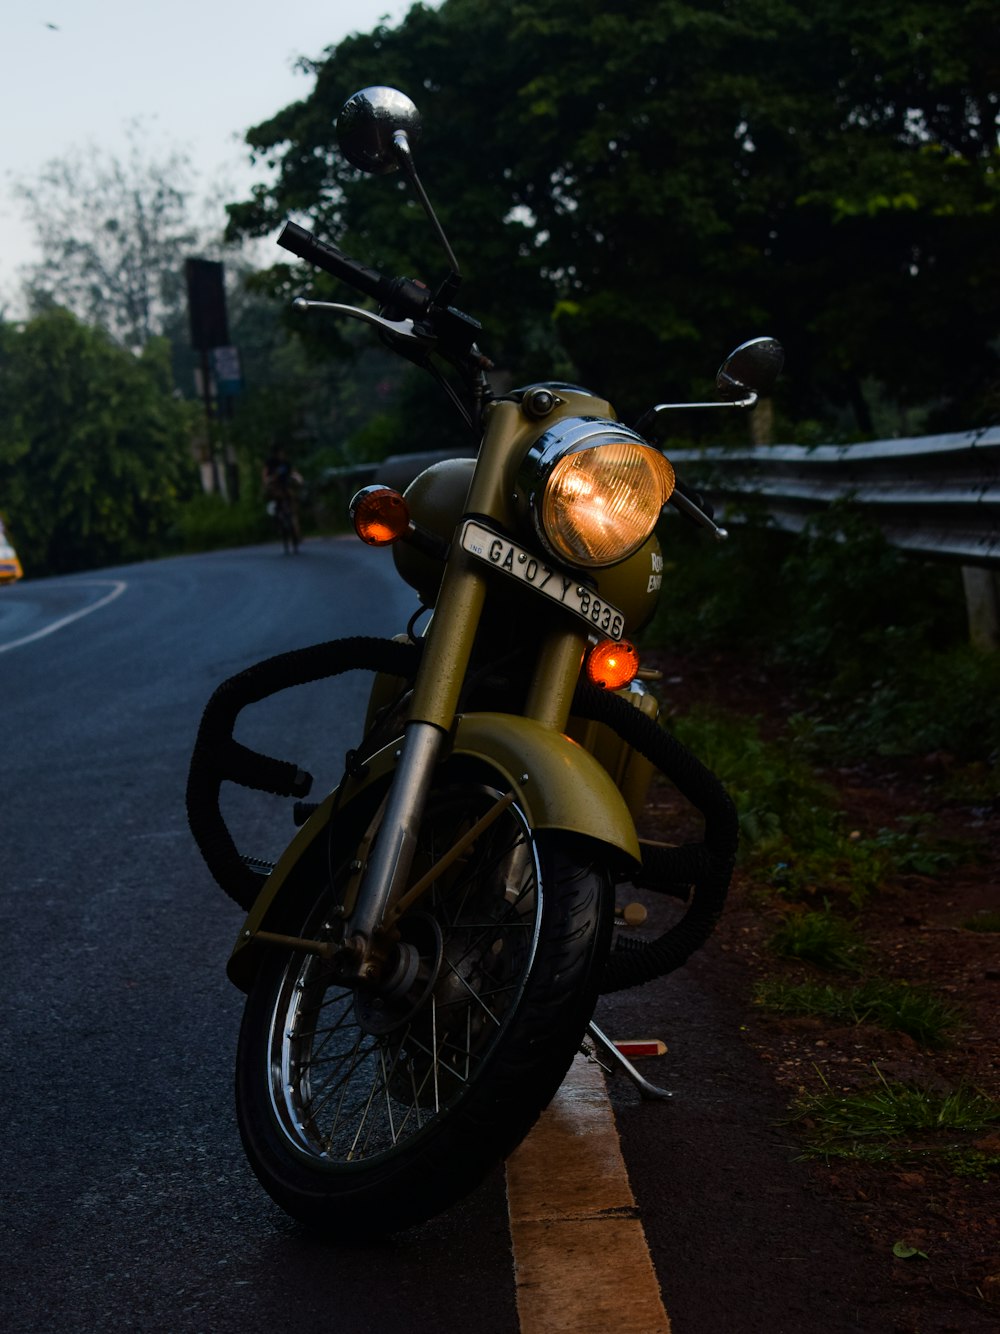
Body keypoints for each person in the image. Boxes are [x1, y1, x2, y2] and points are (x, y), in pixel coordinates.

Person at [261, 449, 303, 553]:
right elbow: (265, 475)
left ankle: (296, 532)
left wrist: (299, 479)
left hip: (286, 488)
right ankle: (278, 521)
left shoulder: (286, 463)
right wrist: (267, 482)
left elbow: (294, 473)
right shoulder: (271, 463)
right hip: (275, 488)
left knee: (293, 505)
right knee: (275, 503)